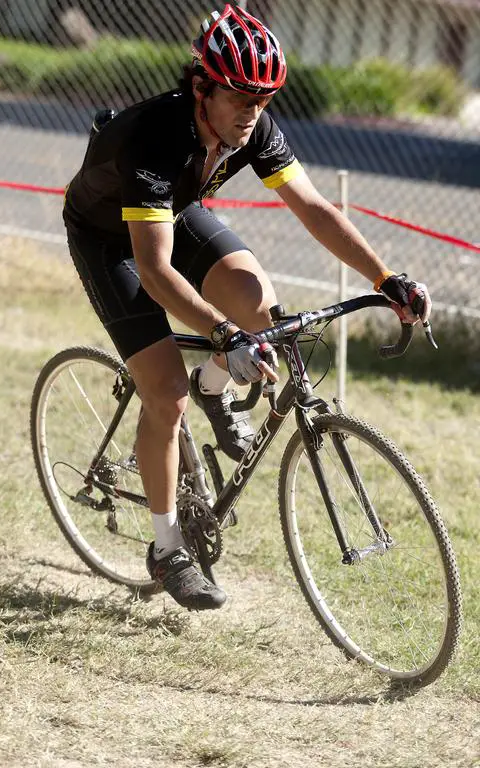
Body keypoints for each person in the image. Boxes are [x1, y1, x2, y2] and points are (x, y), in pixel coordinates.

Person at [63, 4, 431, 612]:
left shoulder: (250, 126)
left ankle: (216, 387)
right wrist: (223, 332)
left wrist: (385, 277)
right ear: (202, 87)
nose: (252, 113)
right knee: (165, 394)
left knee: (257, 300)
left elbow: (314, 208)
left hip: (173, 213)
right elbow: (152, 269)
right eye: (240, 97)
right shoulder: (156, 134)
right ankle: (167, 547)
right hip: (109, 242)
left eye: (264, 100)